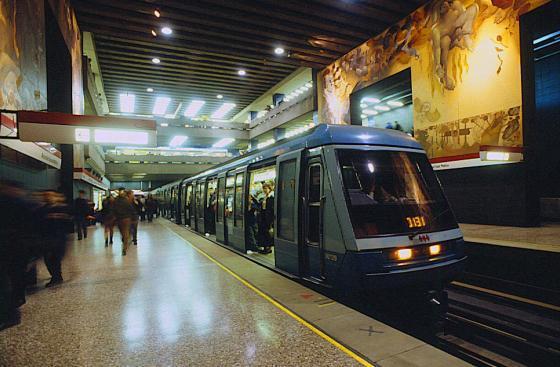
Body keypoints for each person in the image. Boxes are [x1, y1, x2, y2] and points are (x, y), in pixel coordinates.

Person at [0, 180, 35, 330]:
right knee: (13, 276)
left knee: (9, 278)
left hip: (13, 246)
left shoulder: (16, 204)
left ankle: (11, 311)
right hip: (17, 247)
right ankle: (16, 301)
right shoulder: (23, 203)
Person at [38, 191, 72, 287]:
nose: (47, 197)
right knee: (49, 258)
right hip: (47, 236)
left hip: (58, 236)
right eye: (45, 195)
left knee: (54, 257)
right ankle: (56, 275)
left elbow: (68, 222)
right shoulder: (43, 209)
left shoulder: (62, 208)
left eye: (50, 195)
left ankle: (56, 276)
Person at [113, 188, 135, 256]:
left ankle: (124, 240)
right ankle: (124, 248)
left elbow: (113, 209)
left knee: (122, 232)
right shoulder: (127, 201)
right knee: (126, 232)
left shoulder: (115, 201)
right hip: (126, 218)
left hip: (119, 219)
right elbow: (131, 209)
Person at [257, 181, 275, 254]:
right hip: (263, 217)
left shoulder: (272, 197)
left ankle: (268, 248)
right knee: (263, 232)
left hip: (268, 218)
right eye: (263, 188)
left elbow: (272, 209)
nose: (264, 190)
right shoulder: (264, 197)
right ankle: (265, 247)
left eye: (266, 188)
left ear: (269, 188)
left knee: (268, 233)